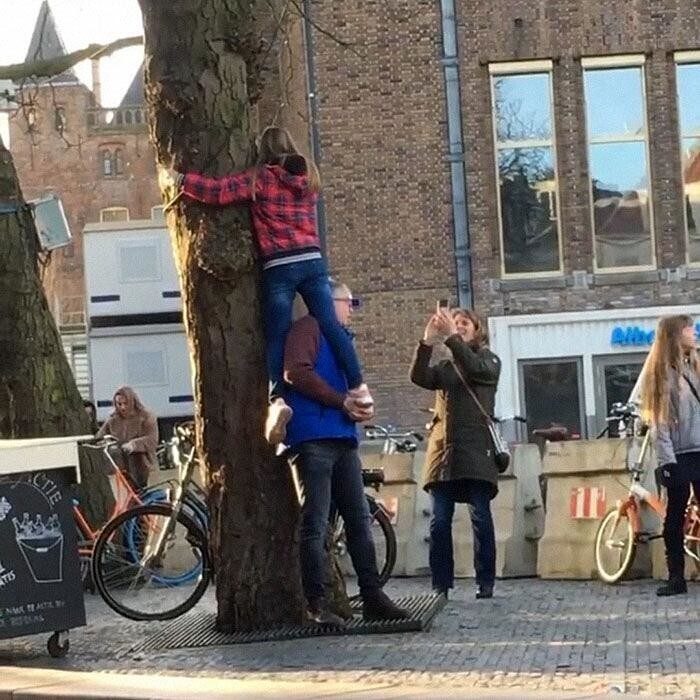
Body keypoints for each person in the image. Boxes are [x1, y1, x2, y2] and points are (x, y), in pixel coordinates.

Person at [158, 126, 373, 445]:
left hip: (279, 264)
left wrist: (178, 180)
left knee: (277, 335)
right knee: (330, 325)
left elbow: (218, 192)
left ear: (264, 150)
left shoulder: (261, 178)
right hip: (311, 259)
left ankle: (278, 400)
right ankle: (359, 387)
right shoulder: (309, 179)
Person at [284, 279, 408, 625]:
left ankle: (371, 595)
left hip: (341, 437)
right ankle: (317, 603)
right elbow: (295, 371)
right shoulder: (309, 328)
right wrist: (342, 401)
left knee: (358, 519)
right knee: (316, 522)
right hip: (314, 436)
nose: (351, 311)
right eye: (347, 303)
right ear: (329, 301)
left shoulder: (337, 337)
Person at [409, 306, 501, 600]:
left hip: (476, 452)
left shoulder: (489, 361)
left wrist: (451, 337)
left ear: (477, 330)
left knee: (481, 518)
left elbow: (475, 369)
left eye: (464, 323)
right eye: (455, 323)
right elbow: (419, 377)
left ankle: (485, 581)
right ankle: (441, 584)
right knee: (439, 521)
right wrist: (426, 342)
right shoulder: (446, 368)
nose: (459, 327)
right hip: (444, 455)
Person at [640, 314, 700, 597]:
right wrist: (667, 461)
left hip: (698, 448)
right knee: (675, 514)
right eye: (688, 328)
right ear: (675, 335)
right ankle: (676, 577)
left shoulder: (693, 365)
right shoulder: (663, 374)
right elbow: (659, 423)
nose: (693, 332)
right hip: (679, 453)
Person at [96, 386, 159, 491]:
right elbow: (99, 438)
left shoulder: (146, 416)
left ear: (132, 402)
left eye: (125, 403)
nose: (123, 407)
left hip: (143, 466)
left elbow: (152, 440)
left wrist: (134, 445)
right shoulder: (112, 419)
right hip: (121, 467)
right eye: (119, 404)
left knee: (145, 495)